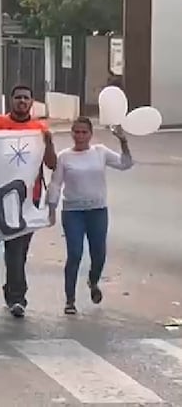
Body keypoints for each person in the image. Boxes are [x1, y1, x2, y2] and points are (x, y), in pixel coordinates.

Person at [47, 117, 132, 315]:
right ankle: (70, 299)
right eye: (76, 132)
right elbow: (56, 184)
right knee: (75, 254)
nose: (80, 136)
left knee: (99, 254)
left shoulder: (100, 152)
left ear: (90, 134)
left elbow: (125, 163)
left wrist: (123, 141)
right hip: (73, 212)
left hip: (97, 211)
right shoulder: (64, 157)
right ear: (72, 133)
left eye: (84, 132)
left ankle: (93, 282)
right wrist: (51, 209)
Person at [0, 84, 57, 318]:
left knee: (17, 252)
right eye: (17, 97)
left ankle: (16, 297)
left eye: (25, 98)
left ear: (32, 102)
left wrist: (48, 142)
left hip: (28, 200)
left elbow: (51, 164)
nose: (21, 101)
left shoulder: (39, 129)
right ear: (11, 100)